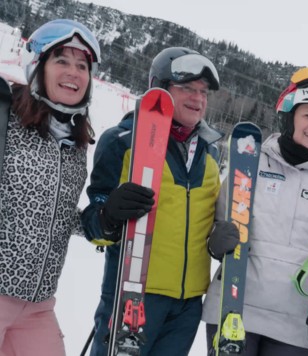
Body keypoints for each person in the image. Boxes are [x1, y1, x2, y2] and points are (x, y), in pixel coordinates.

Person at [80, 47, 226, 356]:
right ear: (159, 88)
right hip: (133, 294)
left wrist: (220, 239)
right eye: (186, 88)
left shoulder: (211, 154)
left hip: (187, 306)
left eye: (203, 92)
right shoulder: (122, 141)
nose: (197, 98)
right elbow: (93, 223)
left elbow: (205, 225)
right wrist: (108, 215)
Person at [201, 67, 308, 356]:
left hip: (293, 324)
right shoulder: (250, 163)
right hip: (235, 308)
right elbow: (220, 223)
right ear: (289, 117)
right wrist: (215, 241)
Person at [0, 19, 100, 356]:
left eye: (82, 65)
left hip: (39, 305)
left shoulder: (76, 144)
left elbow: (55, 213)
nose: (73, 72)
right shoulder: (6, 118)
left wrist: (100, 220)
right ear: (38, 67)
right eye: (61, 60)